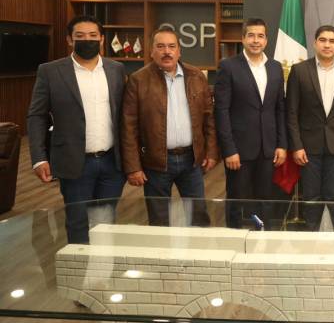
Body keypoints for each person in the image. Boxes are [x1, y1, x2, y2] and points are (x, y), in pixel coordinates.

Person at [27, 15, 126, 243]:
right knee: (77, 221)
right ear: (70, 40)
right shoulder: (50, 71)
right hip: (74, 162)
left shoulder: (116, 69)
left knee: (106, 221)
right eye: (80, 36)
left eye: (93, 35)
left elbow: (124, 114)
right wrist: (39, 158)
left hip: (112, 163)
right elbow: (36, 116)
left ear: (102, 39)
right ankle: (79, 264)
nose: (87, 40)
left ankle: (102, 265)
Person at [121, 27, 217, 226]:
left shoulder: (196, 76)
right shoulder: (138, 80)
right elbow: (129, 127)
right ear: (151, 51)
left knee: (198, 217)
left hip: (192, 161)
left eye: (172, 46)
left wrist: (211, 152)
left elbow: (209, 118)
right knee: (159, 221)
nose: (167, 51)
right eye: (161, 46)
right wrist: (133, 167)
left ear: (179, 51)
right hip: (156, 163)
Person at [214, 18, 287, 229]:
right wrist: (229, 150)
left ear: (266, 40)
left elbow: (279, 108)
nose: (256, 40)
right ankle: (234, 237)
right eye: (251, 35)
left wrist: (282, 144)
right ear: (243, 38)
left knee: (265, 198)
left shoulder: (275, 67)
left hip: (268, 149)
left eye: (260, 36)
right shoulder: (228, 66)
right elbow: (221, 111)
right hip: (239, 150)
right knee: (237, 199)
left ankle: (262, 234)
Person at [286, 25, 334, 231]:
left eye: (332, 41)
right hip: (307, 148)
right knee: (311, 197)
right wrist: (296, 146)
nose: (327, 45)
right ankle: (312, 237)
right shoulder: (299, 71)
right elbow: (291, 113)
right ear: (315, 43)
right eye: (323, 40)